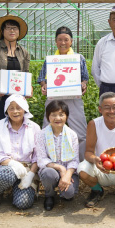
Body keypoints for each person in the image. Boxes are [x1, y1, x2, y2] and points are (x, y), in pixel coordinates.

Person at [38, 26, 88, 160]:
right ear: (56, 41)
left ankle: (82, 163)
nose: (63, 43)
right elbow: (42, 78)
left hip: (73, 97)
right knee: (47, 128)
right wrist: (44, 86)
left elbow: (85, 77)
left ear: (71, 41)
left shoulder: (79, 58)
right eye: (60, 40)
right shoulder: (50, 59)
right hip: (54, 98)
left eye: (66, 39)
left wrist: (83, 84)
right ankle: (46, 161)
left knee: (81, 133)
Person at [0, 95, 41, 210]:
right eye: (11, 108)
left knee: (23, 203)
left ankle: (16, 189)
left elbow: (38, 155)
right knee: (6, 174)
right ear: (6, 110)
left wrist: (31, 174)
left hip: (27, 169)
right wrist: (13, 164)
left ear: (25, 109)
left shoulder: (34, 127)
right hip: (7, 166)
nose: (15, 111)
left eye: (18, 108)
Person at [0, 14, 31, 122]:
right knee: (1, 123)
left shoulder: (24, 52)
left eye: (15, 28)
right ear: (2, 31)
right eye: (8, 28)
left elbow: (26, 73)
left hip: (17, 97)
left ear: (19, 32)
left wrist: (28, 87)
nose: (12, 31)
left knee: (17, 123)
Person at [35, 100, 79, 211]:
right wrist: (60, 168)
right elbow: (41, 159)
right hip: (51, 169)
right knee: (48, 174)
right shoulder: (41, 134)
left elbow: (74, 160)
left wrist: (67, 175)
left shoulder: (72, 135)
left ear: (67, 116)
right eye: (53, 115)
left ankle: (63, 190)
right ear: (48, 117)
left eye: (61, 115)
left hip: (69, 171)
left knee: (69, 194)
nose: (57, 118)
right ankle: (49, 194)